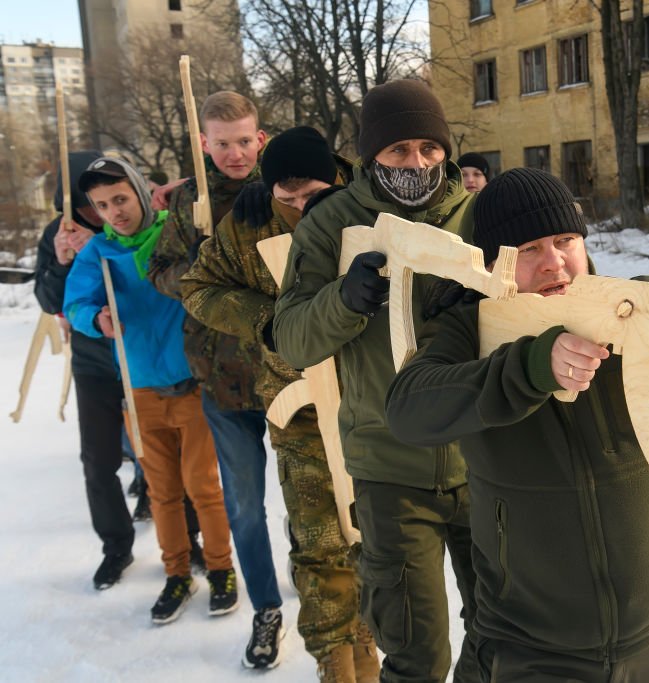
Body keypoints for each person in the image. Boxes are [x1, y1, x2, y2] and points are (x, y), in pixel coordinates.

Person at [385, 168, 649, 682]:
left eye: (565, 240)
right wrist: (530, 367)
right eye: (529, 249)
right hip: (532, 648)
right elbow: (407, 410)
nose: (554, 261)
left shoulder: (637, 308)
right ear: (492, 263)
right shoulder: (465, 330)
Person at [273, 79, 479, 683]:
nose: (415, 163)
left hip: (486, 457)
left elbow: (555, 290)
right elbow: (292, 338)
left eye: (428, 149)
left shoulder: (480, 213)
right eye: (397, 151)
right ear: (371, 155)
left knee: (504, 631)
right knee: (416, 654)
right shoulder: (332, 224)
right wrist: (344, 299)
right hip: (390, 467)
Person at [180, 125, 381, 681]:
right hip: (297, 410)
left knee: (372, 536)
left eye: (309, 196)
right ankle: (334, 660)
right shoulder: (248, 225)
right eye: (284, 198)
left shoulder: (369, 205)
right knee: (318, 540)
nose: (297, 208)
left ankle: (371, 645)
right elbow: (197, 286)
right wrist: (270, 322)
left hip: (371, 404)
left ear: (336, 178)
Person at [62, 157, 235, 625]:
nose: (114, 212)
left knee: (203, 486)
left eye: (120, 198)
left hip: (192, 384)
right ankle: (176, 573)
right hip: (140, 390)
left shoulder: (171, 232)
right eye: (101, 205)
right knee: (162, 493)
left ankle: (221, 569)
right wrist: (93, 319)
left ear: (139, 191)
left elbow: (211, 195)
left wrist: (180, 188)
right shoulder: (96, 253)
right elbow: (75, 301)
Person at [147, 91, 285, 669]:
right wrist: (197, 264)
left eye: (244, 140)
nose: (235, 152)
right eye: (222, 142)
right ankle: (267, 609)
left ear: (260, 137)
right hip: (223, 384)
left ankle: (316, 574)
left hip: (288, 375)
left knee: (312, 501)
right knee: (246, 508)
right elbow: (158, 272)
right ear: (203, 144)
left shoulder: (285, 187)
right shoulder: (188, 205)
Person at [33, 149, 137, 590]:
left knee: (162, 453)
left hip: (141, 357)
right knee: (98, 459)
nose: (97, 213)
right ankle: (116, 544)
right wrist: (60, 263)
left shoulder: (132, 220)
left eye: (104, 201)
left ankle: (182, 535)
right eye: (85, 206)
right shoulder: (61, 233)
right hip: (94, 361)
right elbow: (50, 301)